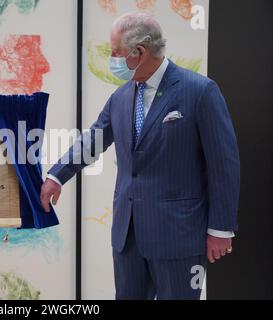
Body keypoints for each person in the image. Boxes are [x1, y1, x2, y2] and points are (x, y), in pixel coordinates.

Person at [40, 12, 240, 300]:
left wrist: (221, 229)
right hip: (127, 236)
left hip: (179, 237)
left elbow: (224, 164)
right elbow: (93, 141)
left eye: (115, 52)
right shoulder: (121, 97)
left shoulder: (200, 91)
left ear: (140, 52)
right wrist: (56, 176)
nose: (112, 58)